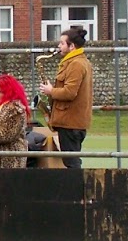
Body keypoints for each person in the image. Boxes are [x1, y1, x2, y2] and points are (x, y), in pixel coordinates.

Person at [40, 26, 94, 169]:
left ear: (72, 46)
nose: (59, 46)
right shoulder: (76, 62)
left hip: (71, 123)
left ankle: (78, 183)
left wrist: (51, 91)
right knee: (70, 161)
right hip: (70, 121)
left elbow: (70, 92)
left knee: (71, 163)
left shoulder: (76, 64)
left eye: (62, 43)